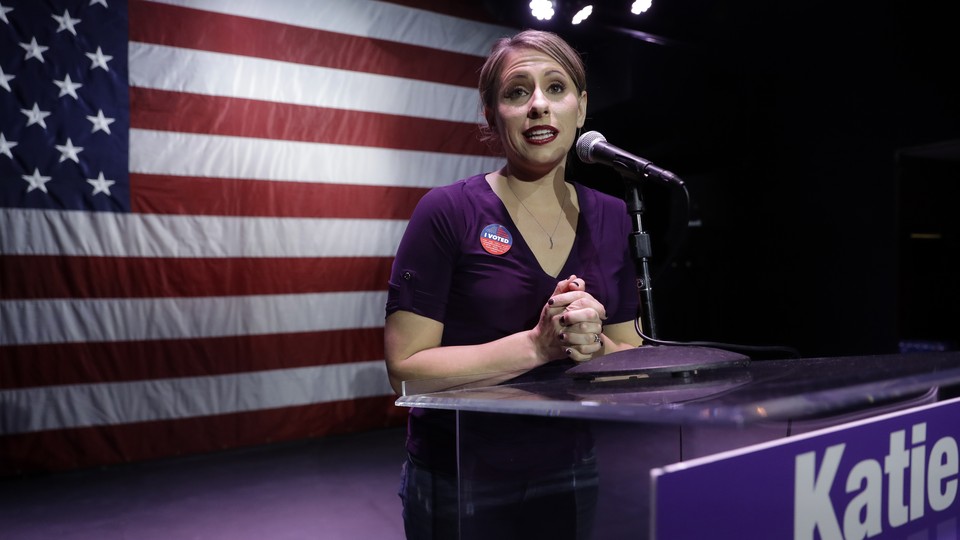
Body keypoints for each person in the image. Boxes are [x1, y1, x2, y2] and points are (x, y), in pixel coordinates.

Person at [384, 29, 644, 539]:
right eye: (517, 92)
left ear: (582, 107)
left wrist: (594, 349)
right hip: (461, 476)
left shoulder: (615, 216)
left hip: (572, 467)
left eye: (556, 88)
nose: (539, 107)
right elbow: (405, 372)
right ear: (491, 115)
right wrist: (537, 344)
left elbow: (633, 364)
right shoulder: (447, 211)